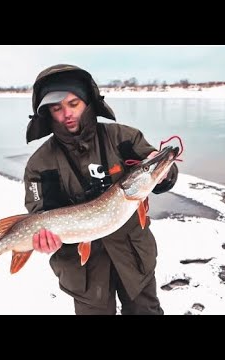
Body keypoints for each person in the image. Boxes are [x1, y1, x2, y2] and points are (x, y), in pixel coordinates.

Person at [23, 64, 178, 315]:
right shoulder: (41, 164)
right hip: (83, 273)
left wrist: (165, 172)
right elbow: (39, 214)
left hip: (134, 258)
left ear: (88, 101)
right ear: (48, 114)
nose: (67, 114)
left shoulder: (122, 137)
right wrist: (45, 241)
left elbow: (159, 173)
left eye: (73, 103)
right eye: (57, 108)